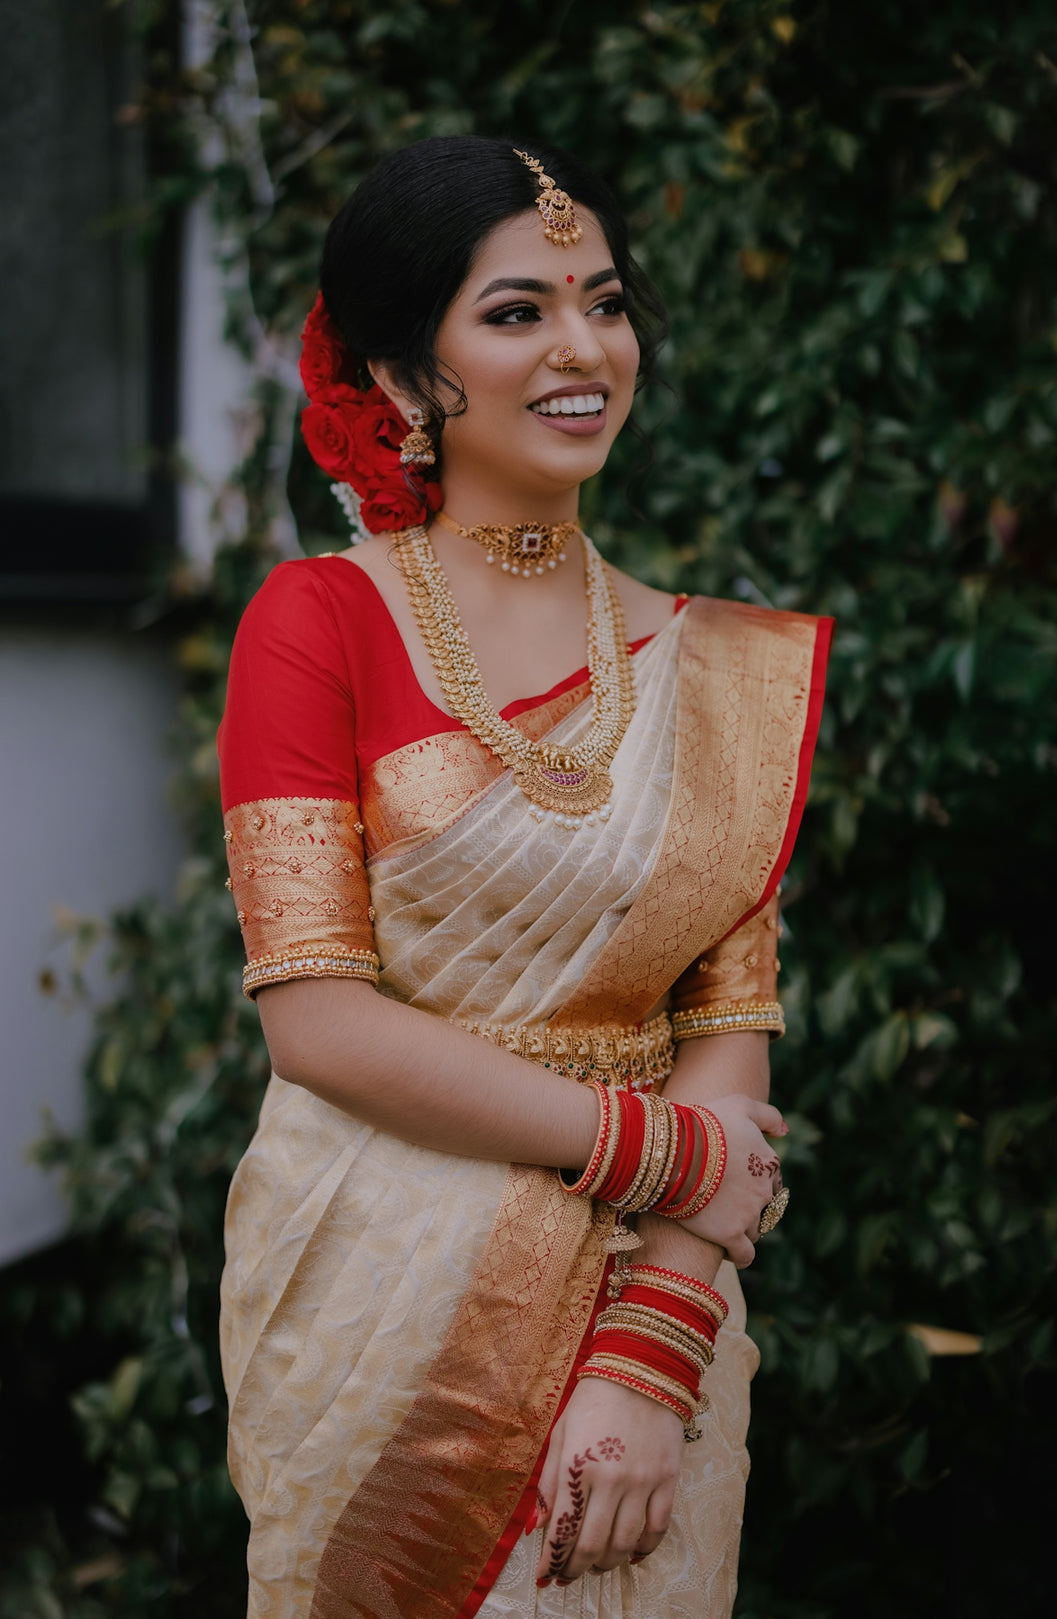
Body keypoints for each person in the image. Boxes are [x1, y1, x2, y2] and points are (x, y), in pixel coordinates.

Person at [217, 135, 832, 1619]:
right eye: (515, 312)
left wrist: (652, 1352)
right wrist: (661, 1156)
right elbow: (318, 1021)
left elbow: (724, 1035)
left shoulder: (719, 672)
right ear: (406, 375)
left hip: (655, 1314)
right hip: (376, 1293)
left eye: (603, 301)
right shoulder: (319, 624)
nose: (582, 348)